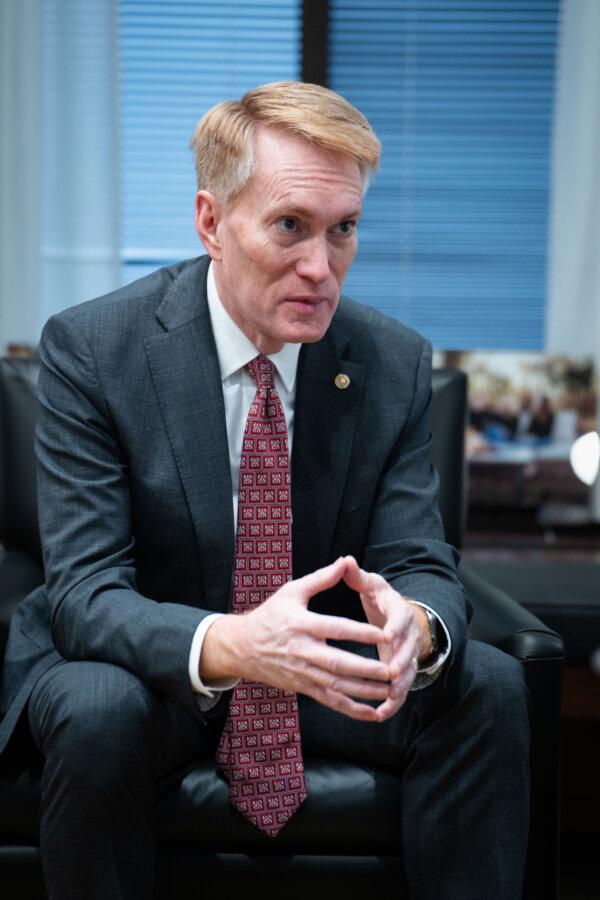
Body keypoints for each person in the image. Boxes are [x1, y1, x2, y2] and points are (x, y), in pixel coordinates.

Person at [0, 81, 530, 899]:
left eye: (343, 230)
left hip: (321, 676)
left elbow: (420, 559)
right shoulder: (95, 349)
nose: (321, 268)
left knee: (485, 680)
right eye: (290, 227)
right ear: (212, 222)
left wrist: (414, 629)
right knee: (93, 706)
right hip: (155, 674)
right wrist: (236, 645)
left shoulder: (389, 363)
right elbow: (86, 591)